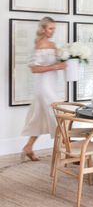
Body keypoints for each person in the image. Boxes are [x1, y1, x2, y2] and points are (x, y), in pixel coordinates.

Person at [21, 16, 66, 161]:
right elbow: (34, 69)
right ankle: (69, 149)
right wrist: (55, 66)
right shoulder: (38, 45)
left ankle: (28, 147)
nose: (53, 31)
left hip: (53, 85)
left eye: (54, 28)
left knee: (39, 118)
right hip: (43, 87)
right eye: (50, 28)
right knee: (58, 116)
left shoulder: (53, 45)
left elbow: (62, 61)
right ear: (43, 29)